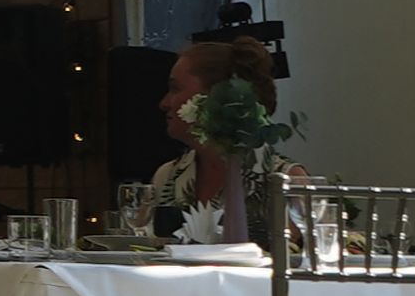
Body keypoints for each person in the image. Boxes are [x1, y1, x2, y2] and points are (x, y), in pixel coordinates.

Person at [119, 34, 295, 237]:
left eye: (175, 88)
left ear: (216, 96)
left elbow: (299, 254)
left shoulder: (286, 181)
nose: (164, 103)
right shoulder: (166, 177)